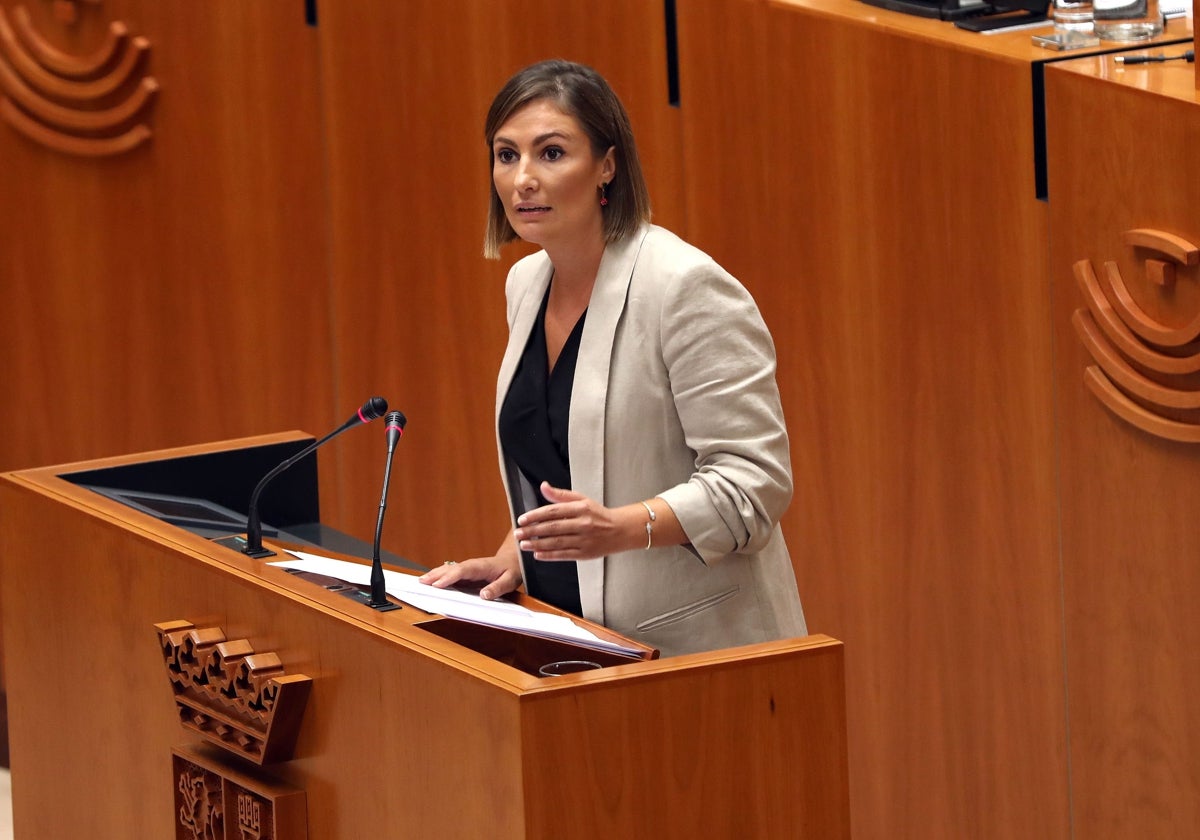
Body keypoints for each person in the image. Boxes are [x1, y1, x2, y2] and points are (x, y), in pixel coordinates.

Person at [419, 59, 806, 657]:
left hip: (700, 652)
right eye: (506, 154)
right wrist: (513, 556)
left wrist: (620, 528)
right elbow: (565, 461)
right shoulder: (526, 285)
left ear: (607, 165)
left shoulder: (684, 288)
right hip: (569, 636)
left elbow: (754, 488)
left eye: (550, 153)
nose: (523, 178)